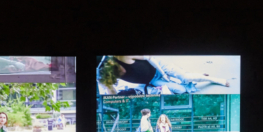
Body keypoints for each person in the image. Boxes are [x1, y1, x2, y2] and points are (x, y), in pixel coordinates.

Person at [97, 56, 231, 96]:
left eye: (119, 69)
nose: (122, 72)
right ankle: (195, 76)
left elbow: (149, 57)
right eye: (118, 74)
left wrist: (163, 73)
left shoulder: (122, 56)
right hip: (152, 81)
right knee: (181, 90)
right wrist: (107, 86)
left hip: (158, 67)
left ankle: (214, 79)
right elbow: (113, 96)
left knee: (185, 78)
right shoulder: (109, 77)